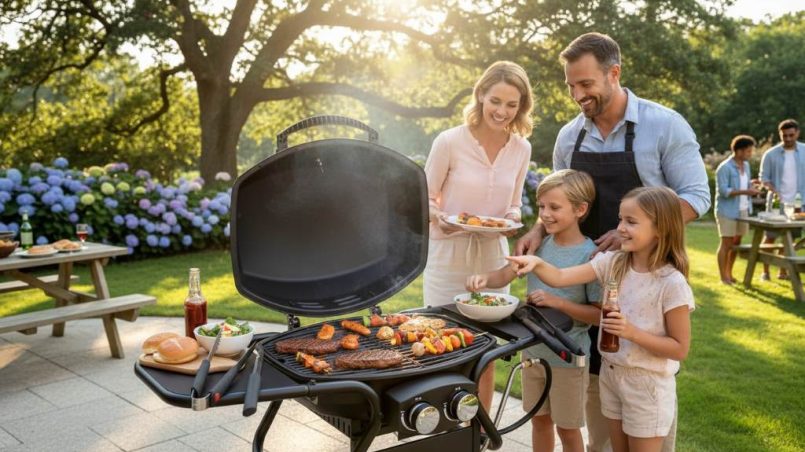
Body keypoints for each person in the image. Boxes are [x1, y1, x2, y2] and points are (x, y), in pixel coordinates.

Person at [515, 32, 709, 452]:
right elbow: (559, 198)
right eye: (570, 85)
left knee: (643, 380)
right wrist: (536, 231)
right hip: (590, 273)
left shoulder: (664, 125)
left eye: (585, 84)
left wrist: (628, 237)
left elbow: (697, 198)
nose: (576, 94)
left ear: (614, 73)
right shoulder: (570, 136)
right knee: (595, 385)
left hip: (642, 276)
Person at [509, 187, 694, 452]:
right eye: (620, 219)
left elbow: (680, 348)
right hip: (612, 375)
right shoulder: (614, 262)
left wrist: (631, 332)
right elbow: (561, 277)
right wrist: (536, 263)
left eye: (631, 222)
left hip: (647, 387)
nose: (620, 228)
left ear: (661, 228)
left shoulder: (671, 283)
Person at [424, 60, 533, 411]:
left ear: (521, 107)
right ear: (481, 95)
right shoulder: (450, 141)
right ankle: (442, 430)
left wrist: (512, 221)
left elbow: (514, 204)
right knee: (440, 342)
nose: (502, 111)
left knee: (485, 348)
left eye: (512, 105)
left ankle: (480, 433)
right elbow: (423, 197)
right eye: (496, 101)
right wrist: (440, 218)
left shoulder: (521, 148)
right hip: (447, 253)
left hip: (493, 258)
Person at [466, 169, 601, 452]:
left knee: (567, 430)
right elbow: (505, 275)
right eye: (541, 207)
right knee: (539, 422)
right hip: (533, 354)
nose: (546, 214)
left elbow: (599, 315)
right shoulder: (538, 246)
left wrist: (558, 302)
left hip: (568, 359)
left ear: (580, 209)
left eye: (554, 207)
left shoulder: (590, 256)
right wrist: (484, 280)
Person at [758, 119, 805, 280]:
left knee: (790, 238)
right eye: (785, 136)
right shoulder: (770, 154)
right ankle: (765, 271)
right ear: (780, 134)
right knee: (770, 237)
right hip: (777, 204)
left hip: (799, 206)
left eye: (791, 135)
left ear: (797, 133)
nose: (788, 138)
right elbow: (763, 178)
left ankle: (783, 271)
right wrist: (775, 191)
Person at [715, 135, 760, 284]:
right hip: (727, 211)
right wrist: (746, 192)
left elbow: (743, 185)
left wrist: (751, 185)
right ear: (739, 151)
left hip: (743, 209)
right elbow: (723, 191)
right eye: (748, 151)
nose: (750, 154)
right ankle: (723, 277)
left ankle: (729, 273)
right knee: (726, 244)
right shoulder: (725, 168)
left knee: (736, 244)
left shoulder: (745, 166)